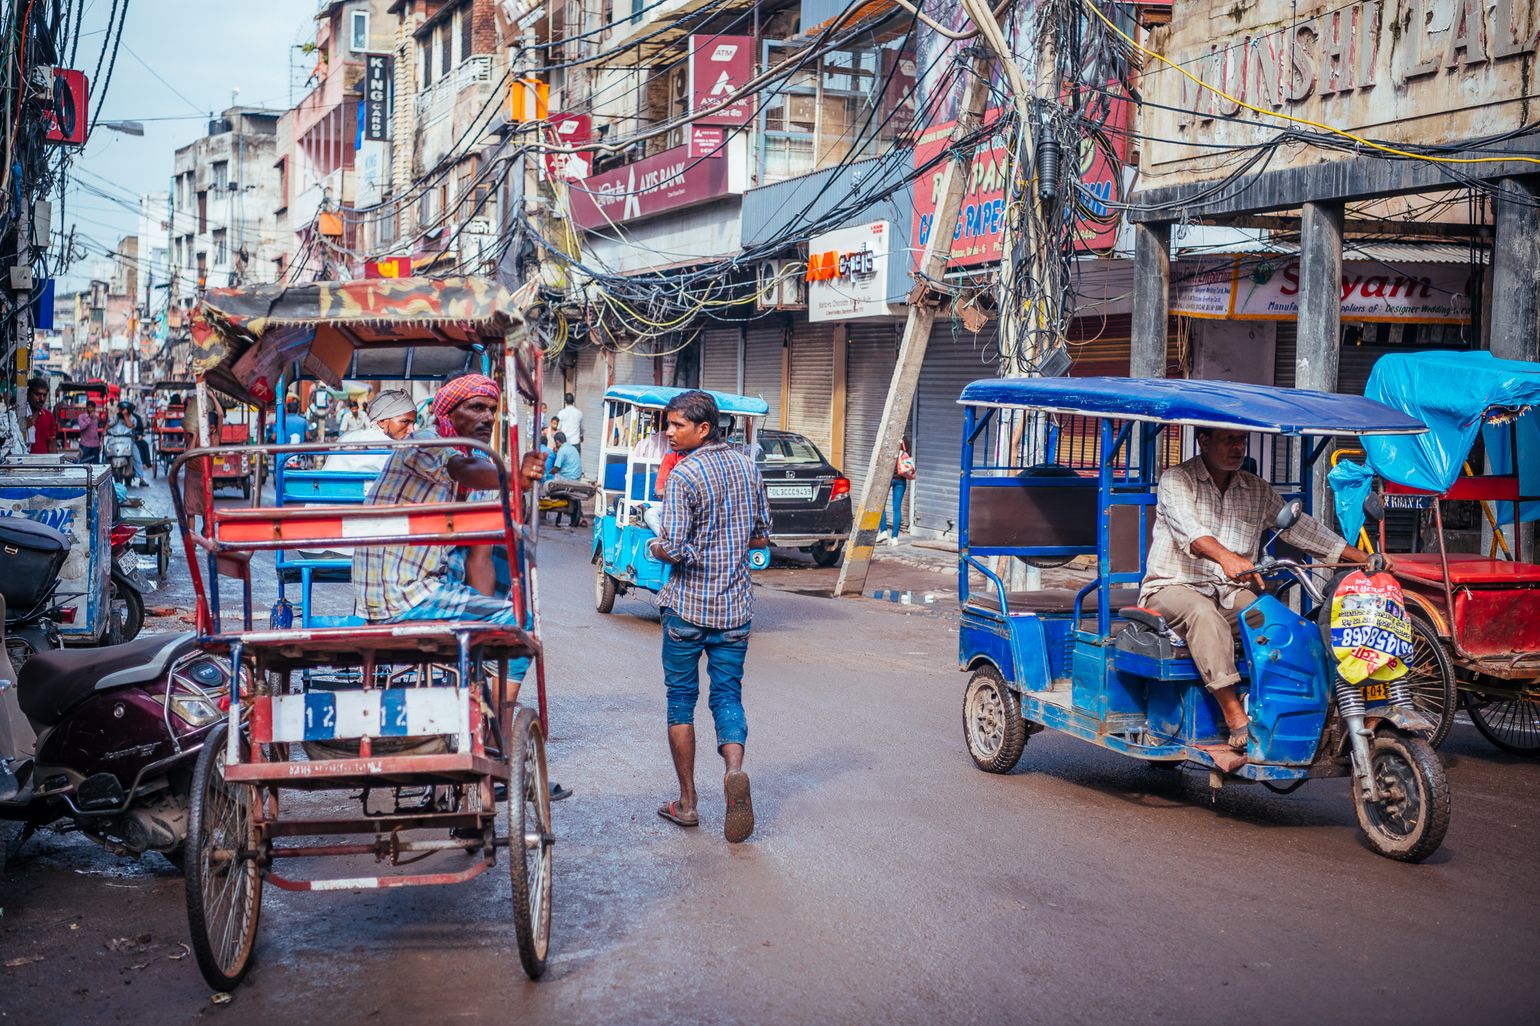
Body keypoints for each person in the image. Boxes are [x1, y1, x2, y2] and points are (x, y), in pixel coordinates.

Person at [1140, 426, 1372, 752]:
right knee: (1205, 616)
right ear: (1204, 441)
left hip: (1229, 592)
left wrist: (1364, 558)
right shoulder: (1177, 480)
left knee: (1278, 624)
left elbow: (1304, 531)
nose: (1238, 447)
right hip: (1173, 587)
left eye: (1241, 440)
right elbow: (1191, 532)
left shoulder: (1255, 489)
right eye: (1228, 439)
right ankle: (1236, 718)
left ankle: (1288, 710)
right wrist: (1227, 558)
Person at [646, 390, 771, 843]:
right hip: (735, 607)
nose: (668, 432)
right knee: (727, 697)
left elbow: (675, 548)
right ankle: (734, 771)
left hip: (687, 609)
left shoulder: (685, 474)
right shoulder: (746, 465)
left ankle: (688, 802)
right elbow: (761, 536)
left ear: (703, 429)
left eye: (677, 426)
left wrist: (653, 545)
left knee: (681, 701)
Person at [324, 389, 419, 477]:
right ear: (381, 422)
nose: (412, 430)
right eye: (405, 422)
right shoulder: (390, 447)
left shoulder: (346, 437)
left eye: (413, 423)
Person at [877, 435, 915, 545]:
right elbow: (908, 457)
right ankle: (894, 538)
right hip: (901, 479)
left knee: (880, 505)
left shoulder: (889, 440)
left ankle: (883, 531)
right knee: (897, 509)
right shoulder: (905, 441)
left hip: (887, 479)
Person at [114, 402, 149, 487]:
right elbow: (110, 424)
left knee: (137, 458)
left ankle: (141, 478)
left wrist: (125, 416)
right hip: (117, 441)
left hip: (129, 442)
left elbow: (130, 425)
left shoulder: (134, 418)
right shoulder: (117, 417)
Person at [23, 379, 57, 455]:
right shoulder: (19, 415)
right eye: (37, 394)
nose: (42, 399)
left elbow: (52, 444)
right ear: (28, 394)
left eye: (44, 395)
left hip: (44, 464)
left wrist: (55, 465)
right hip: (23, 463)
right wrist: (23, 427)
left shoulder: (49, 416)